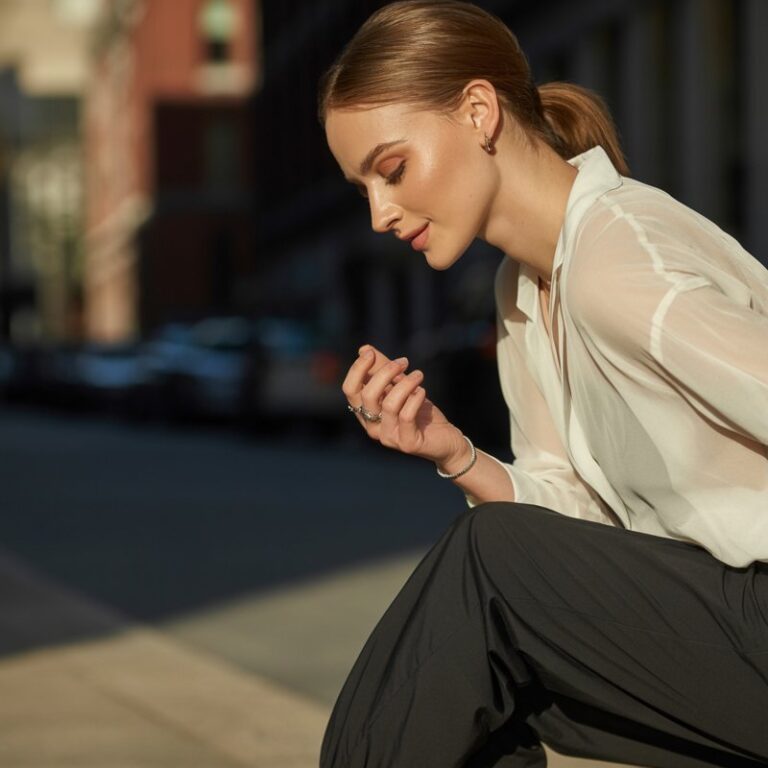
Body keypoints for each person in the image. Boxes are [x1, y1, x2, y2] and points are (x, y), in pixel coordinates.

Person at [317, 1, 768, 766]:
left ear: (478, 111)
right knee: (482, 668)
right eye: (362, 190)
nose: (380, 214)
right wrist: (456, 454)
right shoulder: (522, 294)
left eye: (390, 170)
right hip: (727, 625)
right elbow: (577, 523)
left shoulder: (615, 262)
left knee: (483, 570)